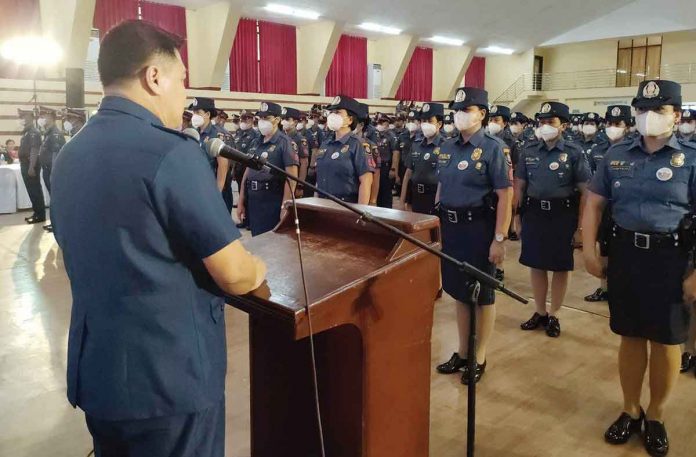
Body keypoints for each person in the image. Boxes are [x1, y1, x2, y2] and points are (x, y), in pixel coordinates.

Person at [50, 20, 266, 457]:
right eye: (182, 80)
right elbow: (236, 275)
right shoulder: (171, 153)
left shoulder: (69, 154)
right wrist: (259, 265)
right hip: (168, 383)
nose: (184, 96)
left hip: (101, 379)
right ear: (154, 77)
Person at [583, 79, 696, 457]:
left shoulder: (692, 158)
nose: (649, 117)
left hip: (672, 258)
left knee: (666, 341)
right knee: (630, 335)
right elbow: (595, 203)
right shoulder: (617, 155)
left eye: (659, 110)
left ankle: (657, 415)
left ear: (676, 115)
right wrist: (589, 248)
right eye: (643, 109)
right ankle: (631, 408)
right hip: (626, 255)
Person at [434, 87, 512, 385]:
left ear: (482, 113)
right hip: (452, 227)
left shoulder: (494, 148)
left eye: (467, 110)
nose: (460, 115)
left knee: (483, 295)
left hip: (479, 228)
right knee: (459, 292)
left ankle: (479, 355)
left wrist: (500, 238)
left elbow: (505, 194)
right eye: (457, 110)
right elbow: (442, 186)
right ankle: (463, 351)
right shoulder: (448, 146)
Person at [515, 102, 590, 338]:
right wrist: (516, 218)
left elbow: (586, 193)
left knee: (560, 266)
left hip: (562, 215)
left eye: (551, 122)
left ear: (563, 125)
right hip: (534, 214)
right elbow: (520, 187)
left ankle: (555, 313)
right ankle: (540, 311)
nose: (545, 126)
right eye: (542, 122)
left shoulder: (575, 152)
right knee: (536, 264)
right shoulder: (529, 150)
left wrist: (580, 228)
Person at [583, 105, 632, 303]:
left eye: (618, 124)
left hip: (623, 205)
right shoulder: (598, 149)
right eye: (610, 123)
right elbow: (590, 178)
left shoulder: (634, 150)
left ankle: (621, 287)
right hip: (602, 204)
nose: (613, 127)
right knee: (603, 245)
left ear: (627, 126)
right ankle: (604, 288)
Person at [237, 102, 298, 236]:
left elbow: (291, 178)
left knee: (271, 246)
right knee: (257, 241)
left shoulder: (285, 143)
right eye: (261, 118)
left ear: (277, 120)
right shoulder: (256, 141)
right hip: (253, 199)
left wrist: (285, 207)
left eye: (267, 118)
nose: (262, 122)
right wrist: (241, 200)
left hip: (272, 200)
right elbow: (247, 172)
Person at [314, 95, 374, 204]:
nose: (332, 116)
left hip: (346, 205)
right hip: (322, 204)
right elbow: (319, 178)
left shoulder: (358, 145)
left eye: (337, 112)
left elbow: (366, 181)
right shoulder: (325, 144)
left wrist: (361, 212)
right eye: (331, 112)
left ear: (350, 119)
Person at [399, 103, 444, 215]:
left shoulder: (446, 146)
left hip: (434, 197)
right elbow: (408, 174)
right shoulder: (416, 144)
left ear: (439, 124)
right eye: (423, 121)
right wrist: (402, 201)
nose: (425, 124)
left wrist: (438, 202)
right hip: (416, 196)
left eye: (430, 121)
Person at [191, 97, 234, 213]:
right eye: (194, 112)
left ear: (207, 114)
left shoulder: (218, 134)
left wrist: (217, 192)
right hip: (200, 187)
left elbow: (223, 166)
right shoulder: (196, 133)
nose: (194, 115)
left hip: (215, 189)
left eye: (198, 112)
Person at [36, 106, 66, 232]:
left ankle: (58, 224)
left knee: (56, 199)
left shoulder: (55, 133)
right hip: (47, 169)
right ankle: (54, 223)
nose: (41, 119)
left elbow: (56, 155)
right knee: (52, 198)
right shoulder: (48, 133)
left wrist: (54, 173)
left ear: (51, 117)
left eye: (44, 116)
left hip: (51, 170)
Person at [17, 108, 45, 224]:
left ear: (30, 117)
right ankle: (36, 212)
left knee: (35, 190)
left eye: (24, 116)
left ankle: (40, 215)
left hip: (30, 164)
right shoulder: (27, 131)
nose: (23, 118)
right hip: (25, 163)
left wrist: (31, 166)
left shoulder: (34, 132)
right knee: (31, 190)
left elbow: (34, 149)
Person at [233, 110, 259, 228]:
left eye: (246, 119)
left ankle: (251, 221)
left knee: (249, 196)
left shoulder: (255, 134)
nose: (243, 121)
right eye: (242, 119)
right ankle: (244, 219)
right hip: (238, 168)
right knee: (241, 193)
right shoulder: (238, 132)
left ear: (251, 120)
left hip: (248, 168)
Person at [354, 102, 381, 205]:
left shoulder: (370, 146)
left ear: (361, 125)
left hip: (363, 195)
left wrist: (373, 200)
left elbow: (376, 175)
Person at [280, 107, 310, 187]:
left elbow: (304, 163)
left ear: (295, 122)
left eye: (287, 119)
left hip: (293, 180)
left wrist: (300, 185)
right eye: (282, 118)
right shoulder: (280, 137)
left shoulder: (300, 139)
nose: (283, 121)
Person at [375, 114, 399, 208]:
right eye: (379, 122)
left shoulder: (391, 136)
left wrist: (393, 169)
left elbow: (395, 153)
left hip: (386, 167)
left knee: (386, 193)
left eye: (382, 123)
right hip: (375, 166)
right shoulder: (375, 134)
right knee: (377, 192)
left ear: (387, 124)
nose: (380, 125)